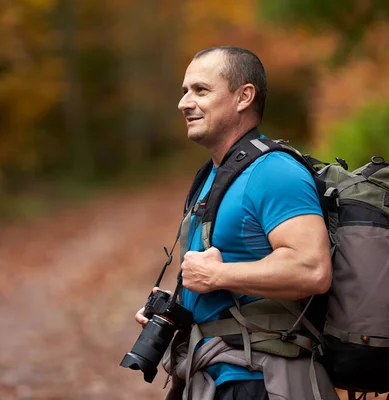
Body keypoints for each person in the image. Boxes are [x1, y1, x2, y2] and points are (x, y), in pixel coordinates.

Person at [135, 46, 334, 400]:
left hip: (261, 380)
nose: (184, 103)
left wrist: (218, 276)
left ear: (244, 97)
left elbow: (313, 269)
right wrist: (180, 305)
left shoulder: (274, 172)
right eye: (184, 91)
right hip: (217, 377)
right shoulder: (217, 175)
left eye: (200, 90)